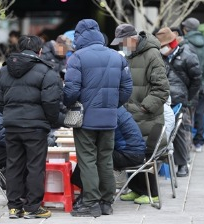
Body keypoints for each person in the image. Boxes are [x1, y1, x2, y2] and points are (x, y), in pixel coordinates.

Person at [63, 19, 133, 217]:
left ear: (79, 35)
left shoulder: (77, 57)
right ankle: (106, 202)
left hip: (86, 119)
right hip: (109, 118)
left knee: (87, 160)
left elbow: (71, 90)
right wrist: (112, 106)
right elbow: (127, 88)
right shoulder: (117, 57)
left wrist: (70, 105)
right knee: (105, 159)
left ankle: (90, 202)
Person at [0, 35, 62, 219]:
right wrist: (51, 121)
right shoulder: (46, 71)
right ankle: (33, 208)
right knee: (35, 166)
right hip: (35, 127)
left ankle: (14, 208)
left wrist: (10, 114)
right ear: (39, 51)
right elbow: (51, 102)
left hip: (11, 125)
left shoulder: (4, 70)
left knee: (14, 165)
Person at [72, 107, 150, 205]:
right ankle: (87, 192)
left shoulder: (110, 115)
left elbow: (103, 143)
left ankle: (87, 195)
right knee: (91, 155)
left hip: (130, 154)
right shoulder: (115, 109)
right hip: (134, 152)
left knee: (89, 157)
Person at [111, 24, 170, 154]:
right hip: (130, 117)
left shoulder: (152, 54)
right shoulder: (128, 56)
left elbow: (162, 89)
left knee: (142, 158)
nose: (121, 47)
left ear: (133, 39)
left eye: (123, 43)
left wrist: (143, 108)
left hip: (146, 118)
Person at [156, 27, 202, 177]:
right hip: (163, 98)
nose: (162, 49)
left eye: (163, 46)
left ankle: (183, 164)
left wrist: (188, 98)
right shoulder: (159, 57)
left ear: (172, 43)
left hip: (181, 100)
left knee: (180, 132)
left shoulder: (188, 56)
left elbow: (197, 80)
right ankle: (159, 165)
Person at [180, 18, 204, 152]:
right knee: (200, 113)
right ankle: (199, 141)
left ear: (185, 29)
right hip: (202, 85)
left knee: (186, 114)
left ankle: (186, 142)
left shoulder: (185, 43)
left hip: (187, 85)